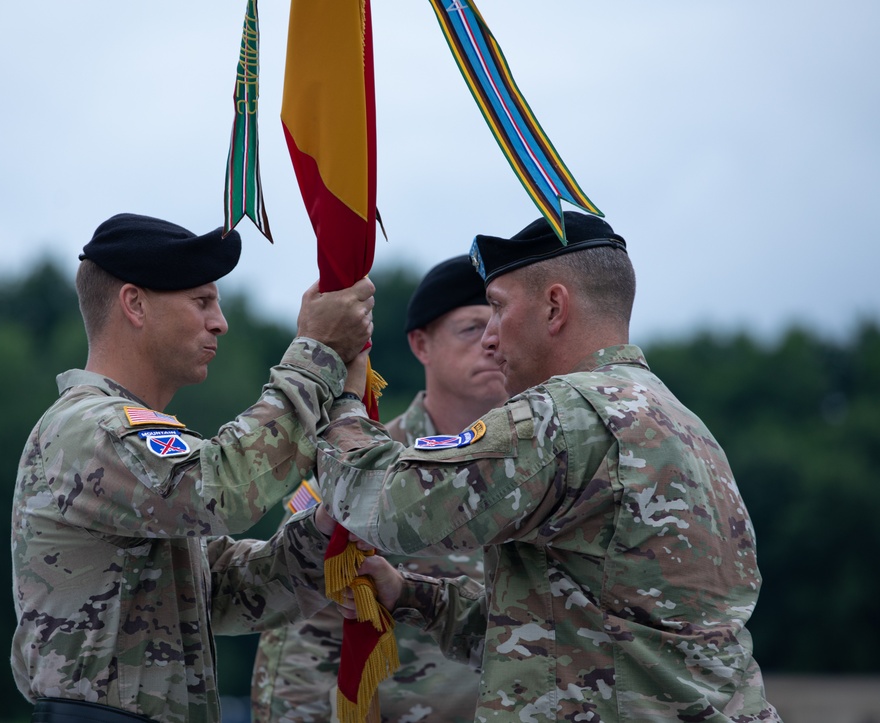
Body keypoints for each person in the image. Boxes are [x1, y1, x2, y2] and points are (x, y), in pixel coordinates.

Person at [314, 212, 780, 721]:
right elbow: (570, 635)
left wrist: (341, 393)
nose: (490, 338)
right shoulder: (686, 424)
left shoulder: (564, 415)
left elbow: (391, 507)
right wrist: (411, 596)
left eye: (496, 309)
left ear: (555, 307)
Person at [10, 212, 379, 723]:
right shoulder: (89, 426)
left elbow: (230, 590)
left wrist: (325, 532)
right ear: (135, 304)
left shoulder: (133, 435)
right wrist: (316, 354)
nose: (219, 321)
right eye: (201, 300)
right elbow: (225, 490)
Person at [250, 256, 508, 723]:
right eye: (472, 328)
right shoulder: (362, 477)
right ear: (421, 343)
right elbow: (301, 641)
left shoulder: (548, 464)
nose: (491, 343)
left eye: (500, 328)